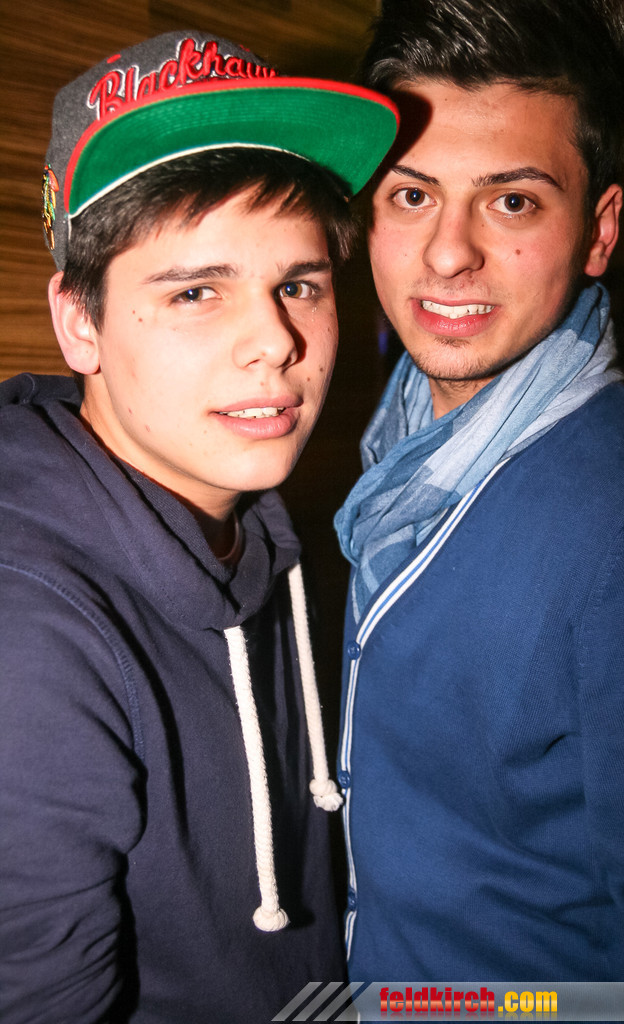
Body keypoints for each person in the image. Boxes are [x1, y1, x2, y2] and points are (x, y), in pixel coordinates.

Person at [0, 30, 397, 1023]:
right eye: (195, 291)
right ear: (79, 321)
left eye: (298, 284)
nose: (275, 341)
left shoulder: (261, 524)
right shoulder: (28, 630)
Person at [335, 0, 624, 983]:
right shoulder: (398, 447)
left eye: (513, 201)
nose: (449, 252)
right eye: (412, 195)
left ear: (598, 232)